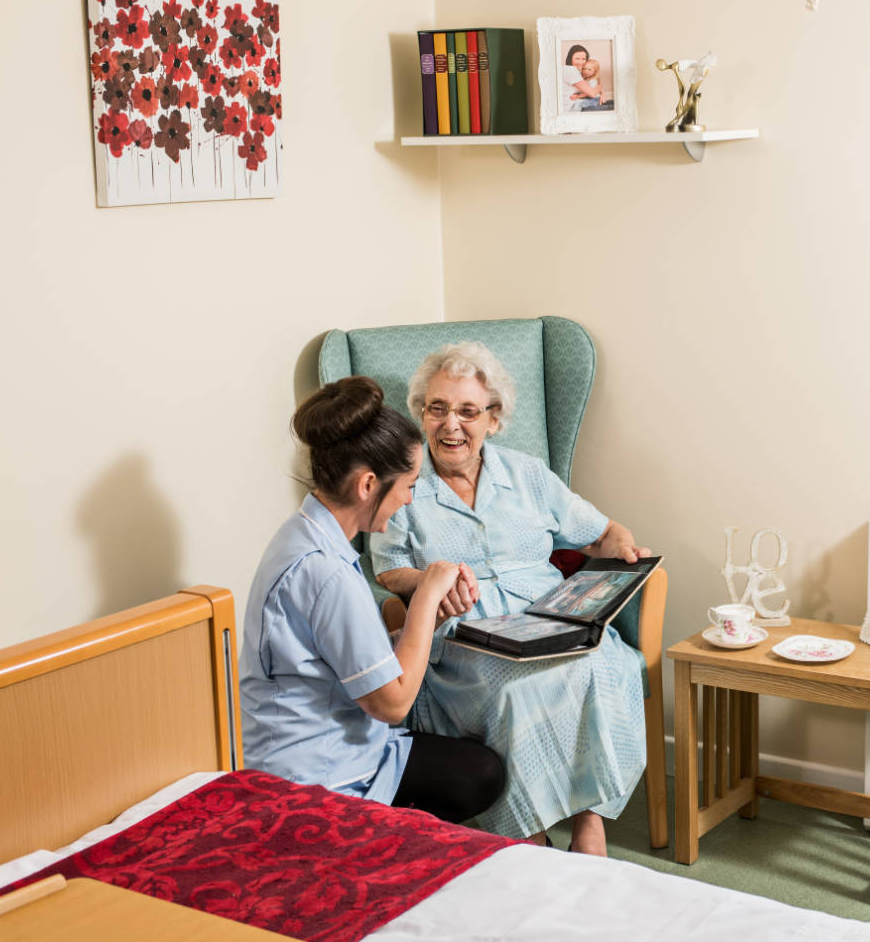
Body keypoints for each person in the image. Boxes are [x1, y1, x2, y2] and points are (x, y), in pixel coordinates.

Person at [370, 342, 649, 856]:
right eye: (438, 409)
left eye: (468, 411)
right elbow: (388, 570)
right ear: (422, 415)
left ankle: (589, 822)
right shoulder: (405, 483)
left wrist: (625, 553)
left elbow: (601, 533)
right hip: (465, 636)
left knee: (608, 664)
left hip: (550, 618)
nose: (451, 425)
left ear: (493, 420)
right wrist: (428, 584)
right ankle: (527, 835)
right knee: (516, 693)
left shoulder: (528, 475)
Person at [240, 375, 506, 824]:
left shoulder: (304, 534)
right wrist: (425, 596)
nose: (408, 499)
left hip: (337, 742)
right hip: (319, 775)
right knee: (480, 775)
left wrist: (431, 619)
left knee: (478, 772)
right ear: (367, 486)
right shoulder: (324, 572)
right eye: (407, 485)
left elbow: (349, 655)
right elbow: (393, 703)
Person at [561, 44, 612, 112]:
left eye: (583, 59)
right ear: (570, 58)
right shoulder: (570, 70)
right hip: (574, 108)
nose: (581, 62)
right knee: (615, 106)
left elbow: (592, 88)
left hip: (581, 104)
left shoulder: (579, 73)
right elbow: (592, 93)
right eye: (577, 59)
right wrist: (600, 87)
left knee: (613, 103)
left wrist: (602, 93)